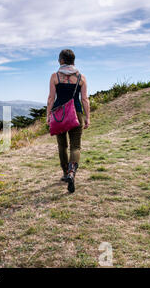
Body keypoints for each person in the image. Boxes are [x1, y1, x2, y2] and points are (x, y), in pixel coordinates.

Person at [46, 49, 90, 193]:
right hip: (76, 113)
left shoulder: (55, 76)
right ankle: (72, 173)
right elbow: (84, 99)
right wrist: (87, 117)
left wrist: (48, 115)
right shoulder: (81, 77)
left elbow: (51, 98)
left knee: (62, 146)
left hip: (59, 114)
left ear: (62, 60)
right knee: (75, 146)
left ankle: (65, 173)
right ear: (73, 61)